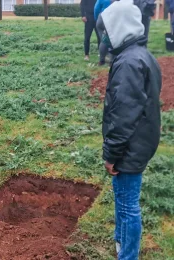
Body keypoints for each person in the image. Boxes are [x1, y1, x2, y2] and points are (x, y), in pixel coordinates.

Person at [100, 0, 162, 258]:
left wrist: (111, 154)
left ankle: (128, 255)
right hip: (140, 141)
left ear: (119, 26)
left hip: (130, 147)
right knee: (123, 198)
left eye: (107, 29)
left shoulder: (127, 63)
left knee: (127, 204)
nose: (103, 34)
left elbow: (124, 116)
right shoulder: (141, 55)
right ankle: (120, 240)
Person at [94, 0, 112, 66]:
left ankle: (101, 61)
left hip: (101, 17)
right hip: (110, 17)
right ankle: (111, 61)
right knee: (111, 40)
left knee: (103, 40)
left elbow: (96, 8)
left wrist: (97, 19)